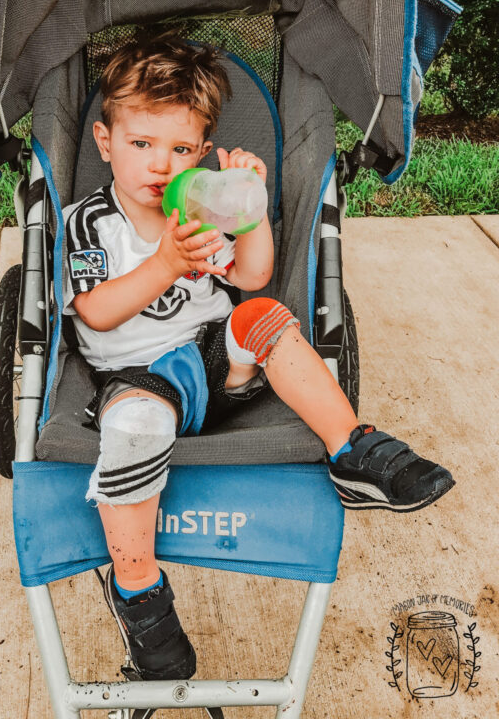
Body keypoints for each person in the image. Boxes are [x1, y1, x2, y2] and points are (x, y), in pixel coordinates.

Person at [62, 35, 455, 681]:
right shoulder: (90, 224)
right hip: (138, 378)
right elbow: (98, 313)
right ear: (105, 142)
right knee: (134, 426)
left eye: (182, 149)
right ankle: (140, 597)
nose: (162, 165)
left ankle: (351, 449)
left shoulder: (198, 206)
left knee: (261, 315)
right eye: (142, 145)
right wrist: (164, 263)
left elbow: (253, 275)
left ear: (202, 150)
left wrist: (247, 213)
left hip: (219, 361)